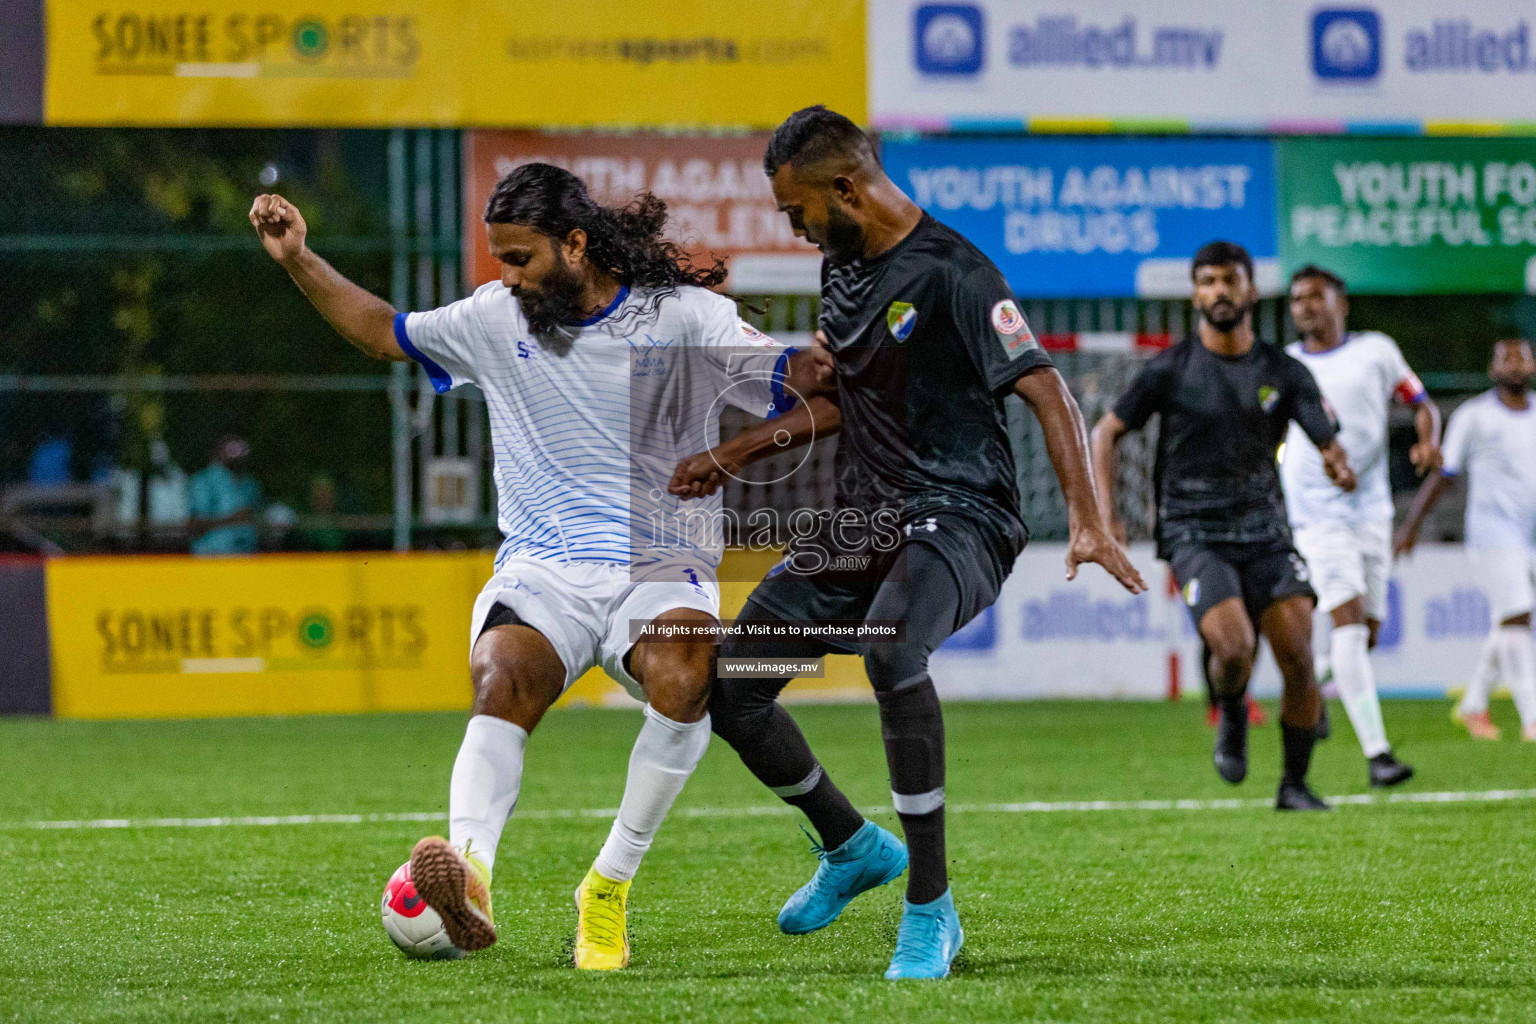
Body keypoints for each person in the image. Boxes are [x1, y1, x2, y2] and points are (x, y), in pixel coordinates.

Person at [251, 163, 830, 969]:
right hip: (543, 568)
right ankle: (471, 878)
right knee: (501, 677)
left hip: (657, 563)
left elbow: (802, 388)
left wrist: (788, 395)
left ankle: (608, 888)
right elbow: (383, 330)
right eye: (499, 259)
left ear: (576, 244)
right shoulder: (495, 317)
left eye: (520, 258)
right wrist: (298, 260)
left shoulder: (687, 318)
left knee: (687, 675)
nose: (507, 276)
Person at [669, 106, 1144, 981]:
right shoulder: (843, 272)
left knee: (893, 651)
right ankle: (851, 849)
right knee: (732, 684)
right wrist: (730, 453)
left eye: (797, 210)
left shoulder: (958, 273)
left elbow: (1048, 391)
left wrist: (1086, 518)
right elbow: (845, 402)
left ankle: (932, 908)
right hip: (863, 523)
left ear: (846, 188)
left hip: (962, 516)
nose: (795, 227)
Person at [1090, 241, 1357, 811]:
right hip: (1193, 532)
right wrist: (1105, 515)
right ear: (1195, 294)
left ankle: (1294, 786)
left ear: (1250, 291)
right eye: (1208, 281)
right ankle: (1232, 711)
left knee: (1301, 660)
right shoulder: (1169, 368)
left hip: (1266, 531)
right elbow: (1104, 432)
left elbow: (1325, 436)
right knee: (1234, 649)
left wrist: (1338, 461)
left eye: (1229, 281)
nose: (1219, 292)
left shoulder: (1284, 371)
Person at [1279, 265, 1439, 786]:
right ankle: (1378, 756)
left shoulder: (1376, 350)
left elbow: (1421, 403)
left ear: (1340, 303)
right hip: (1315, 513)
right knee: (1347, 622)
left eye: (1315, 297)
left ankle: (1311, 688)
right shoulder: (1287, 365)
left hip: (1372, 509)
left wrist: (1427, 440)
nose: (1304, 306)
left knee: (1366, 633)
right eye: (1297, 298)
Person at [1395, 339, 1536, 743]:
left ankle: (1474, 705)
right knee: (1518, 616)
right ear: (1491, 370)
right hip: (1491, 531)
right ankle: (1531, 719)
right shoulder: (1474, 415)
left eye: (1521, 357)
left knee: (1511, 620)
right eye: (1505, 358)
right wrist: (1411, 526)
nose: (1514, 365)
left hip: (1528, 533)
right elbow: (1445, 474)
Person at [188, 435, 261, 555]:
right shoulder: (205, 481)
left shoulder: (249, 482)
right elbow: (195, 525)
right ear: (219, 451)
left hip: (246, 555)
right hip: (212, 556)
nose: (238, 454)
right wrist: (231, 519)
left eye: (241, 450)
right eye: (232, 449)